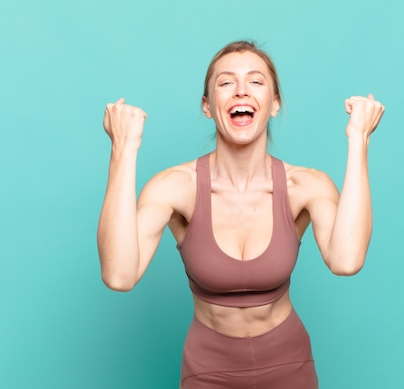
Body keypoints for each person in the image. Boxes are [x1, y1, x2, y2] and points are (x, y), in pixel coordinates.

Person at [97, 40, 385, 389]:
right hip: (208, 370)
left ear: (274, 104)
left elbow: (347, 260)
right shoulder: (176, 187)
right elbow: (119, 275)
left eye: (256, 81)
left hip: (289, 365)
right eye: (225, 82)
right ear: (207, 106)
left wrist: (359, 140)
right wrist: (123, 150)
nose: (241, 91)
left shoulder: (304, 185)